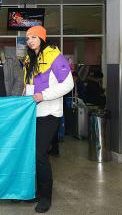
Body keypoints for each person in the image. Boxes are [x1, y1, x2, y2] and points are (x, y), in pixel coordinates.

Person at [23, 25, 73, 213]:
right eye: (28, 38)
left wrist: (44, 95)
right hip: (31, 114)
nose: (30, 41)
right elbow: (28, 85)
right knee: (32, 155)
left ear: (42, 38)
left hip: (49, 113)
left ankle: (46, 197)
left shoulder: (54, 56)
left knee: (40, 155)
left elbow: (68, 84)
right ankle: (36, 190)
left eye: (34, 37)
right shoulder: (30, 58)